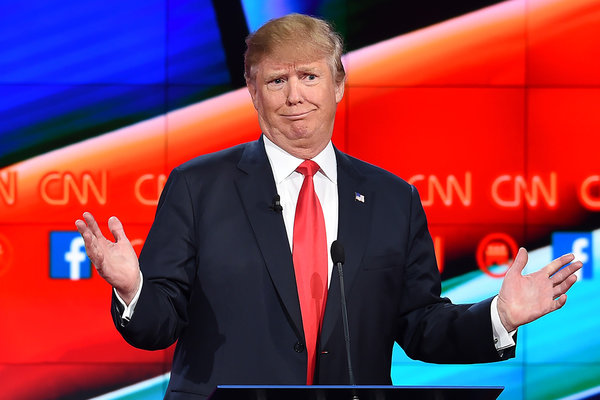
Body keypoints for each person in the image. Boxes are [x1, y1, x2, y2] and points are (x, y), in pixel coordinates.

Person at [75, 13, 580, 399]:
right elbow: (157, 324)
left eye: (309, 77)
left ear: (338, 84)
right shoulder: (197, 185)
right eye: (277, 81)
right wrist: (132, 287)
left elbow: (421, 326)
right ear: (253, 93)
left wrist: (502, 316)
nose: (295, 96)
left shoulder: (392, 198)